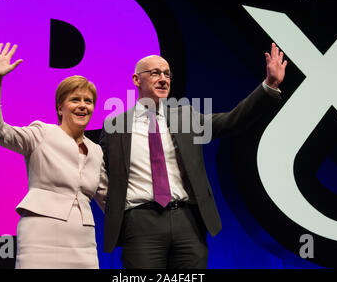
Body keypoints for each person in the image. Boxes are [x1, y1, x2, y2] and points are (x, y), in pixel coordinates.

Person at [99, 43, 287, 268]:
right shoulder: (114, 126)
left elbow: (231, 120)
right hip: (140, 222)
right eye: (155, 73)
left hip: (187, 221)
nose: (163, 79)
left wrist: (269, 85)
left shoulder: (186, 117)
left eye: (167, 74)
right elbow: (101, 173)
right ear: (136, 80)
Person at [0, 42, 107, 269]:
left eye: (88, 101)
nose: (83, 106)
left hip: (84, 241)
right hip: (41, 235)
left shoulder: (96, 150)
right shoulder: (42, 133)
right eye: (75, 100)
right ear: (60, 107)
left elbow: (108, 198)